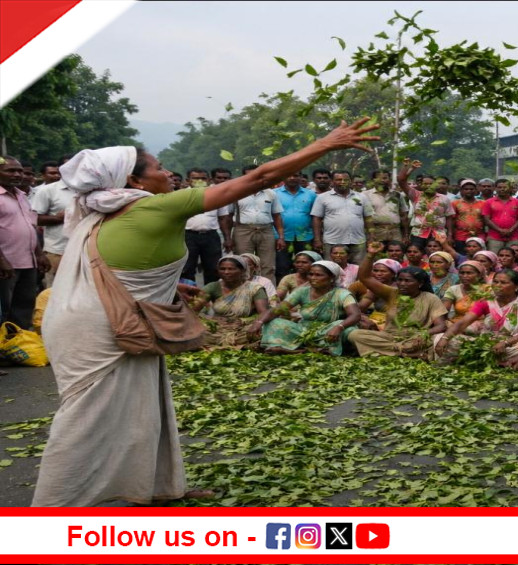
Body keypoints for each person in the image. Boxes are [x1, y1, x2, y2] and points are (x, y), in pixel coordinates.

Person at [34, 117, 379, 507]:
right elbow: (259, 177)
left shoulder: (104, 211)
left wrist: (164, 286)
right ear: (135, 182)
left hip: (99, 317)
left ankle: (150, 488)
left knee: (145, 403)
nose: (168, 173)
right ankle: (55, 509)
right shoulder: (158, 207)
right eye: (159, 168)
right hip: (100, 328)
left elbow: (120, 269)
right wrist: (327, 143)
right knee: (87, 414)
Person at [347, 242, 449, 358]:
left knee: (430, 341)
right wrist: (371, 255)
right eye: (400, 280)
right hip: (389, 337)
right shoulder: (392, 293)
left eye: (407, 281)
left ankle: (386, 353)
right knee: (354, 334)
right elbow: (365, 277)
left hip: (415, 339)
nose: (402, 284)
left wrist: (423, 334)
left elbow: (441, 326)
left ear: (420, 283)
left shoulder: (431, 298)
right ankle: (401, 353)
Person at [252, 259, 362, 356]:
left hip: (330, 330)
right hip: (303, 330)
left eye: (318, 275)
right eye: (311, 274)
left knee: (350, 330)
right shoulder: (302, 292)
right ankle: (308, 350)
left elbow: (355, 315)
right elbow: (277, 310)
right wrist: (259, 322)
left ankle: (297, 349)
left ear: (332, 278)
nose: (313, 278)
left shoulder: (342, 294)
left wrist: (339, 327)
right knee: (274, 322)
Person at [434, 269, 518, 366]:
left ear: (517, 286)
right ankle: (496, 361)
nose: (497, 285)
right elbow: (463, 322)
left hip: (512, 343)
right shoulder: (486, 301)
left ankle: (491, 361)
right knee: (442, 338)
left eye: (503, 283)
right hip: (487, 343)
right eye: (495, 282)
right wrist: (445, 338)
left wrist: (505, 343)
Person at [0, 156, 49, 329]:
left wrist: (39, 253)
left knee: (24, 307)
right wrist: (2, 261)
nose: (17, 174)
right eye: (10, 170)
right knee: (4, 307)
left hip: (28, 262)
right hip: (6, 265)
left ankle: (16, 343)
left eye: (20, 170)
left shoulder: (21, 195)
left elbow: (31, 226)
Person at [190, 255, 269, 349]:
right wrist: (209, 319)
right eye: (222, 269)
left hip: (244, 327)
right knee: (195, 329)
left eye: (231, 269)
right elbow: (193, 310)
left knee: (263, 330)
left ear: (242, 270)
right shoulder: (213, 287)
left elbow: (263, 312)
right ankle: (240, 346)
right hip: (218, 327)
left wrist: (245, 322)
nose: (226, 272)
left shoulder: (254, 288)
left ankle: (228, 344)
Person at [311, 170, 373, 264]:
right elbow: (317, 219)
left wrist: (371, 238)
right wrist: (317, 239)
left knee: (358, 269)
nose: (342, 182)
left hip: (358, 241)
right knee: (332, 269)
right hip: (332, 241)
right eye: (339, 179)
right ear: (332, 181)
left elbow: (368, 218)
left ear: (351, 181)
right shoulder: (322, 198)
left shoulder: (362, 197)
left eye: (345, 179)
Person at [180, 169, 227, 285]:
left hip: (211, 236)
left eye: (203, 178)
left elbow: (223, 218)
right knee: (187, 268)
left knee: (213, 268)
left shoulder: (216, 194)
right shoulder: (181, 195)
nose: (199, 181)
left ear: (209, 180)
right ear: (188, 180)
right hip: (188, 236)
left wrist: (228, 238)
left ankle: (211, 297)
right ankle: (190, 298)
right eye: (195, 178)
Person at [397, 160, 455, 250]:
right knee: (417, 256)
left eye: (431, 184)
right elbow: (401, 180)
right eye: (425, 184)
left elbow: (449, 217)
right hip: (418, 233)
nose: (428, 186)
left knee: (436, 257)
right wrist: (409, 167)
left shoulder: (444, 199)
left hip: (438, 234)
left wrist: (450, 235)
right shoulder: (415, 195)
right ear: (421, 185)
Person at [29, 172, 76, 286]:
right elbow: (34, 219)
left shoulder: (90, 190)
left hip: (85, 250)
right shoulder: (48, 190)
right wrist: (58, 218)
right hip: (57, 250)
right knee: (52, 291)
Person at [273, 171, 317, 283]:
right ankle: (283, 292)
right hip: (282, 238)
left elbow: (315, 216)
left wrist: (317, 237)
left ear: (301, 177)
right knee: (282, 267)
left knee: (307, 267)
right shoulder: (274, 194)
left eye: (296, 175)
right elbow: (272, 216)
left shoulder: (310, 194)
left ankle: (307, 289)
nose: (292, 178)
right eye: (289, 175)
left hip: (306, 237)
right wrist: (277, 236)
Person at [365, 169, 410, 243]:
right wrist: (370, 234)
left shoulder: (397, 195)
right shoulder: (365, 195)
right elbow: (364, 217)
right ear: (373, 180)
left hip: (395, 232)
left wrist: (406, 235)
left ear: (390, 180)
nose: (382, 180)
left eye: (385, 178)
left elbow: (404, 216)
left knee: (396, 253)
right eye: (379, 178)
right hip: (376, 232)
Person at [481, 178, 518, 252]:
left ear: (509, 188)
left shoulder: (517, 202)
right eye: (500, 187)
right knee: (494, 258)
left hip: (514, 236)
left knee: (514, 257)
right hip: (494, 237)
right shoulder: (489, 202)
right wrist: (500, 230)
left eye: (505, 187)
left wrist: (511, 230)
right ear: (495, 188)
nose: (502, 189)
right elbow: (486, 219)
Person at [450, 178, 486, 253]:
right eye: (466, 189)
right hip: (460, 236)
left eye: (471, 189)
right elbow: (452, 220)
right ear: (461, 190)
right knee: (462, 257)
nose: (469, 191)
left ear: (476, 190)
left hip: (479, 236)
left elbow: (486, 220)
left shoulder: (483, 203)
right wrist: (450, 236)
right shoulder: (455, 203)